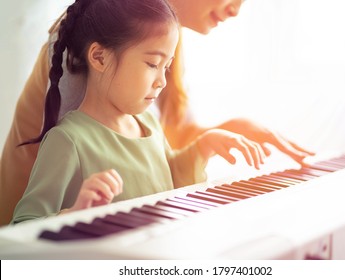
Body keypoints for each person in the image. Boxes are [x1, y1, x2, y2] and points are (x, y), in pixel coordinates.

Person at [0, 0, 313, 225]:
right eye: (153, 65)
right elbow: (95, 148)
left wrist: (220, 135)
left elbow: (159, 154)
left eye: (164, 65)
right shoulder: (92, 34)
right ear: (98, 58)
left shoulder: (161, 43)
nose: (236, 9)